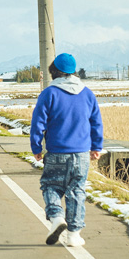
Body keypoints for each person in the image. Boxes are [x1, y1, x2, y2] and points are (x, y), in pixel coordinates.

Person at [30, 53, 103, 247]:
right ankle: (74, 235)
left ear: (54, 72)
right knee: (77, 190)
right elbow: (96, 122)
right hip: (81, 154)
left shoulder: (49, 93)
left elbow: (37, 123)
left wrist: (36, 147)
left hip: (56, 152)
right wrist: (96, 147)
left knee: (51, 185)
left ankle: (56, 218)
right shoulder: (87, 93)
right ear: (73, 72)